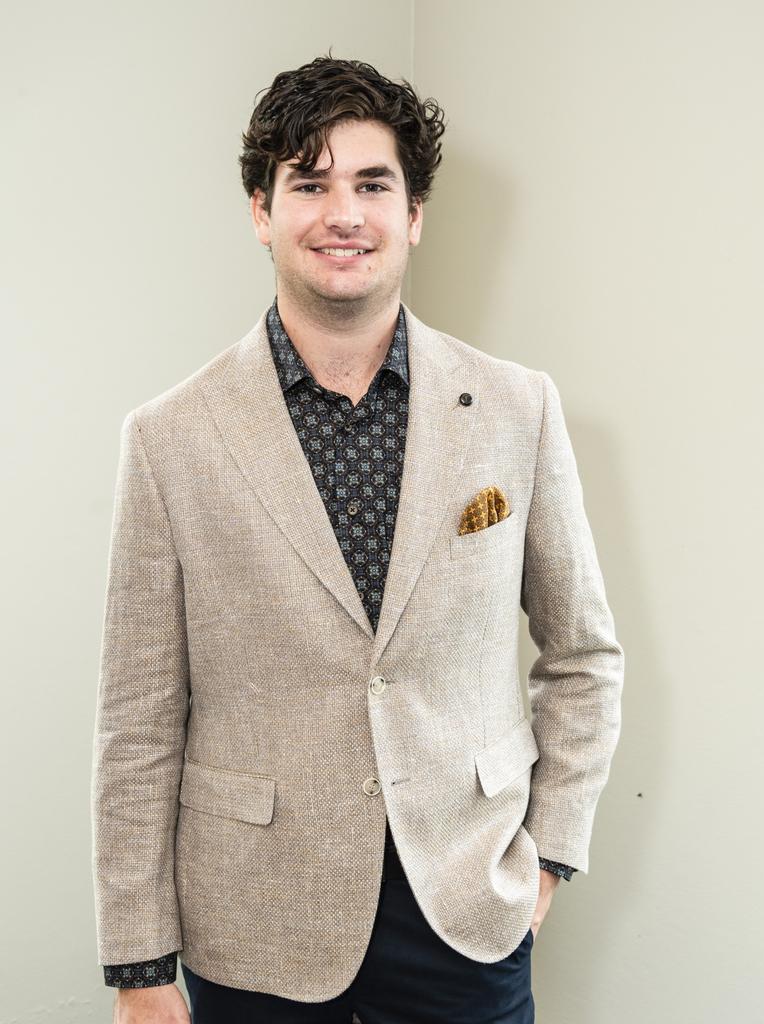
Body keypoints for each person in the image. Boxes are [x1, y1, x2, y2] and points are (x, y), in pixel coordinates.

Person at [91, 54, 624, 1024]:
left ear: (413, 212)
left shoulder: (517, 410)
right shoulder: (168, 439)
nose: (345, 213)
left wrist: (547, 858)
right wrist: (139, 966)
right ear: (261, 210)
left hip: (468, 908)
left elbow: (584, 656)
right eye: (310, 182)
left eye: (373, 184)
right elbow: (137, 721)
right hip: (254, 926)